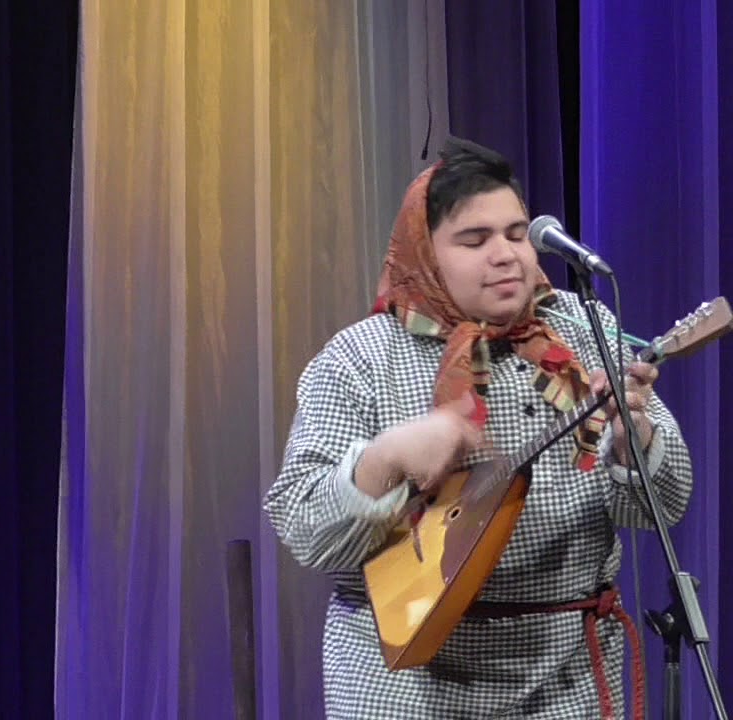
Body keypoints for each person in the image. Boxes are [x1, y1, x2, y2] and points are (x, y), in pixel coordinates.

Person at [263, 138, 693, 719]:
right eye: (475, 240)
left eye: (516, 234)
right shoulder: (362, 359)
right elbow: (304, 531)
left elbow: (666, 505)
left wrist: (633, 436)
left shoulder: (581, 330)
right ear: (425, 253)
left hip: (564, 681)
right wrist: (385, 458)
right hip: (408, 684)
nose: (506, 255)